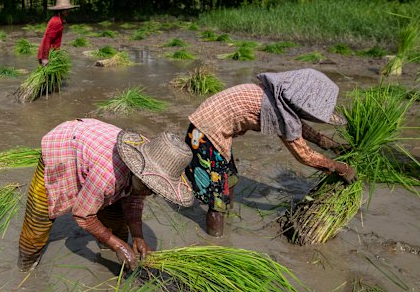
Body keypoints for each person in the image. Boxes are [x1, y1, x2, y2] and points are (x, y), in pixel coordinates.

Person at [184, 68, 357, 237]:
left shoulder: (274, 95)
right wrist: (339, 167)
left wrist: (329, 144)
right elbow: (303, 155)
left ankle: (226, 222)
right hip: (205, 134)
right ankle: (217, 242)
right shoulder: (276, 111)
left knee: (230, 179)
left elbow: (298, 127)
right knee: (218, 199)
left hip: (212, 130)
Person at [18, 118, 194, 272]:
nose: (149, 193)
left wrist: (138, 237)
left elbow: (135, 199)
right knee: (39, 219)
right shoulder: (108, 174)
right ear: (137, 171)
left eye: (154, 190)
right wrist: (118, 246)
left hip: (95, 154)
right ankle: (26, 265)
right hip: (64, 147)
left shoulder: (154, 160)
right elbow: (83, 215)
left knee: (116, 221)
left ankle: (110, 258)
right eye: (148, 187)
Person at [37, 0, 78, 66]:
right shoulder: (56, 21)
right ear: (60, 10)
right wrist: (45, 58)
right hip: (49, 56)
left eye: (68, 9)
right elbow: (47, 39)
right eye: (66, 10)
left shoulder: (58, 20)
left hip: (53, 54)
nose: (68, 11)